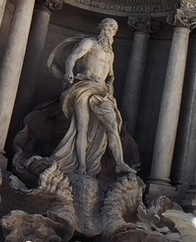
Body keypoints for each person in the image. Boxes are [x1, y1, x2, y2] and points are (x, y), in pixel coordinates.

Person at [47, 18, 134, 176]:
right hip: (83, 86)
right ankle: (81, 166)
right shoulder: (89, 43)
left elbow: (111, 76)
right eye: (107, 28)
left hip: (101, 92)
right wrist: (68, 72)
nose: (109, 32)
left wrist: (110, 88)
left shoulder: (110, 53)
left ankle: (120, 163)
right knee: (82, 127)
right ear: (100, 28)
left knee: (113, 127)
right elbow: (72, 57)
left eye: (113, 30)